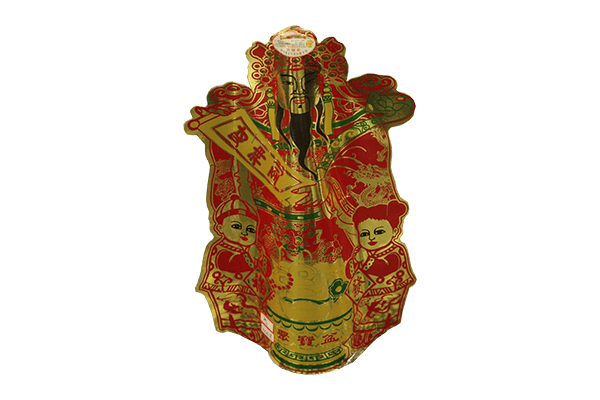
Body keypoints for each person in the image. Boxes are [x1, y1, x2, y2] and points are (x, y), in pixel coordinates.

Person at [345, 200, 417, 349]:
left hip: (389, 293)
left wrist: (365, 262)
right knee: (360, 318)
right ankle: (360, 338)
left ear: (394, 231)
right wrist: (353, 263)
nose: (371, 238)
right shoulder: (362, 252)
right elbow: (349, 270)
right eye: (365, 234)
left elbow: (385, 268)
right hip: (365, 295)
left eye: (378, 232)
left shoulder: (395, 251)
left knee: (381, 318)